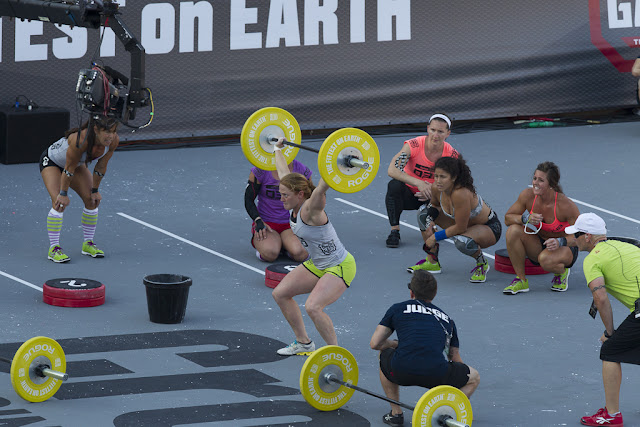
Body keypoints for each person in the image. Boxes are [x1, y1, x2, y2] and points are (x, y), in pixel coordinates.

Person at [271, 138, 356, 356]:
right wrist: (276, 149)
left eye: (285, 195)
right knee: (280, 294)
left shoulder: (311, 209)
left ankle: (335, 354)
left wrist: (334, 168)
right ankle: (304, 343)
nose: (281, 199)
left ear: (300, 194)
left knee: (313, 307)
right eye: (281, 194)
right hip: (317, 264)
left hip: (339, 265)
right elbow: (283, 173)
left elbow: (320, 191)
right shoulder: (293, 196)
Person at [370, 270, 479, 426]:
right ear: (434, 294)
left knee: (384, 352)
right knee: (474, 377)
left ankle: (396, 413)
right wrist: (459, 397)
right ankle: (446, 411)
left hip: (400, 371)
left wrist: (394, 344)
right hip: (436, 375)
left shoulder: (397, 308)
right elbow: (455, 358)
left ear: (411, 292)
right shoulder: (447, 320)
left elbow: (375, 344)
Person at [566, 213, 640, 427]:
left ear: (588, 237)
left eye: (577, 235)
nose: (574, 239)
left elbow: (600, 298)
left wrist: (609, 332)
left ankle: (612, 415)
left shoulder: (593, 259)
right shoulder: (628, 248)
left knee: (611, 351)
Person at [407, 155, 502, 283]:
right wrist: (431, 222)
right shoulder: (436, 188)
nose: (438, 181)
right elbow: (434, 206)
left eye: (443, 177)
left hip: (488, 228)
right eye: (436, 176)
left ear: (454, 178)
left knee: (462, 241)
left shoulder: (460, 193)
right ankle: (432, 261)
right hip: (463, 223)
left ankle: (482, 264)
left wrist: (435, 237)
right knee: (423, 213)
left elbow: (460, 228)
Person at [39, 115, 120, 263]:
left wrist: (95, 190)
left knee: (92, 201)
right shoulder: (80, 141)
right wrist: (63, 193)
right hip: (52, 162)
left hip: (74, 165)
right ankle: (54, 248)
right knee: (59, 203)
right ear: (96, 130)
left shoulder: (113, 141)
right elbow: (68, 169)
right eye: (106, 132)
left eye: (113, 132)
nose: (110, 136)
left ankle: (88, 244)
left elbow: (101, 166)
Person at [502, 161, 580, 294]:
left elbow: (580, 238)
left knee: (545, 259)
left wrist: (560, 242)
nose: (535, 183)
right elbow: (507, 218)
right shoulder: (527, 196)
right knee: (513, 231)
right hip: (540, 244)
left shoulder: (566, 206)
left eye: (541, 180)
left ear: (551, 185)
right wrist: (525, 218)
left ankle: (562, 271)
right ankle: (521, 281)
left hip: (565, 247)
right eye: (534, 178)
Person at [384, 114, 459, 248]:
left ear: (448, 133)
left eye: (440, 132)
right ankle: (394, 231)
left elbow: (456, 183)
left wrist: (433, 190)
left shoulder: (451, 154)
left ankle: (436, 224)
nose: (435, 135)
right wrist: (419, 184)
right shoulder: (414, 145)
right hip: (409, 195)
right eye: (433, 130)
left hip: (433, 197)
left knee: (455, 197)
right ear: (427, 129)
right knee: (394, 185)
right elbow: (392, 170)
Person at [245, 161, 311, 262]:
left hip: (290, 225)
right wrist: (258, 221)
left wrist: (302, 223)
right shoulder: (260, 170)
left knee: (301, 254)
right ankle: (274, 245)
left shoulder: (301, 170)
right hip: (267, 224)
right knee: (270, 254)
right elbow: (248, 199)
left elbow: (310, 199)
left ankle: (286, 246)